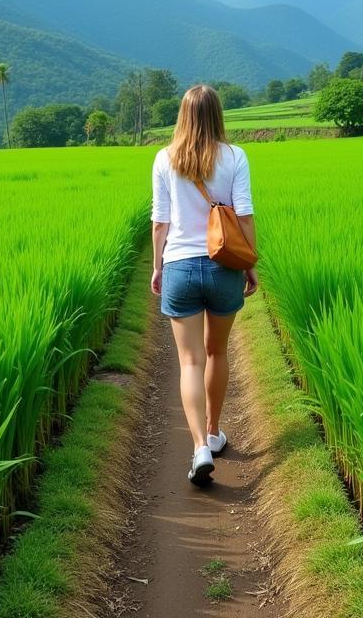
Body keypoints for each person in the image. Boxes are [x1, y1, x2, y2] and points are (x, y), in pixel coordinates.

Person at [150, 84, 258, 486]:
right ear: (217, 114)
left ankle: (197, 447)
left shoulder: (164, 159)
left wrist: (158, 267)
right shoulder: (234, 156)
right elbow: (243, 215)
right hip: (222, 266)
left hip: (178, 265)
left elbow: (160, 222)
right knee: (216, 351)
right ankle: (213, 433)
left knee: (190, 361)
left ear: (182, 114)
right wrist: (250, 264)